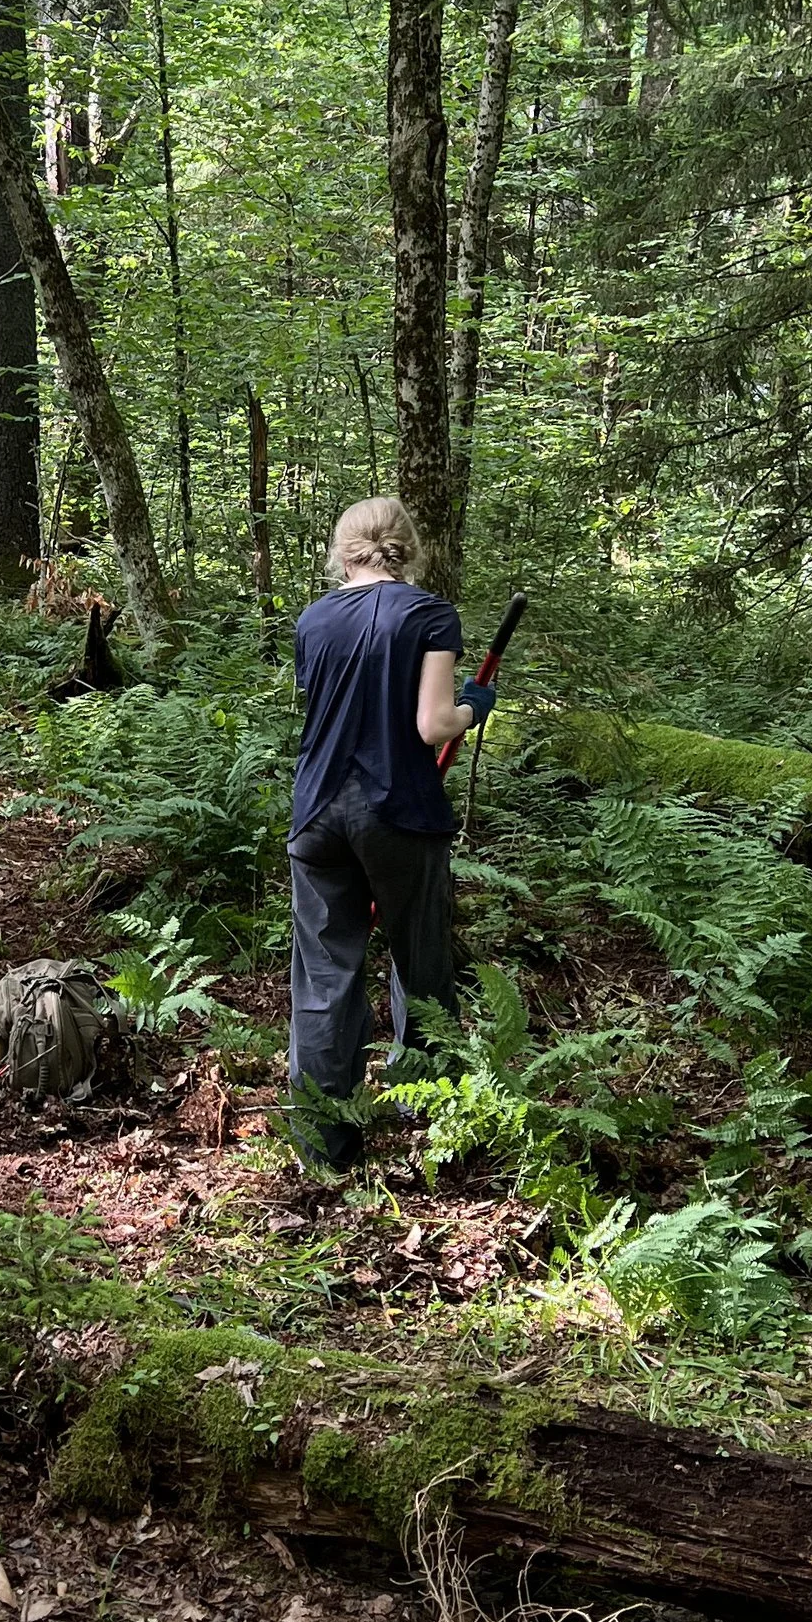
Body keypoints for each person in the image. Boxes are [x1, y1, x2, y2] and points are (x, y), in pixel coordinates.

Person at [286, 496, 497, 1170]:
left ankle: (326, 1145)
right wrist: (473, 705)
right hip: (399, 812)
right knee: (422, 964)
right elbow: (433, 726)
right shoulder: (429, 614)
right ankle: (434, 1118)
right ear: (406, 546)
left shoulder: (313, 620)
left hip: (317, 814)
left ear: (344, 551)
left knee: (325, 979)